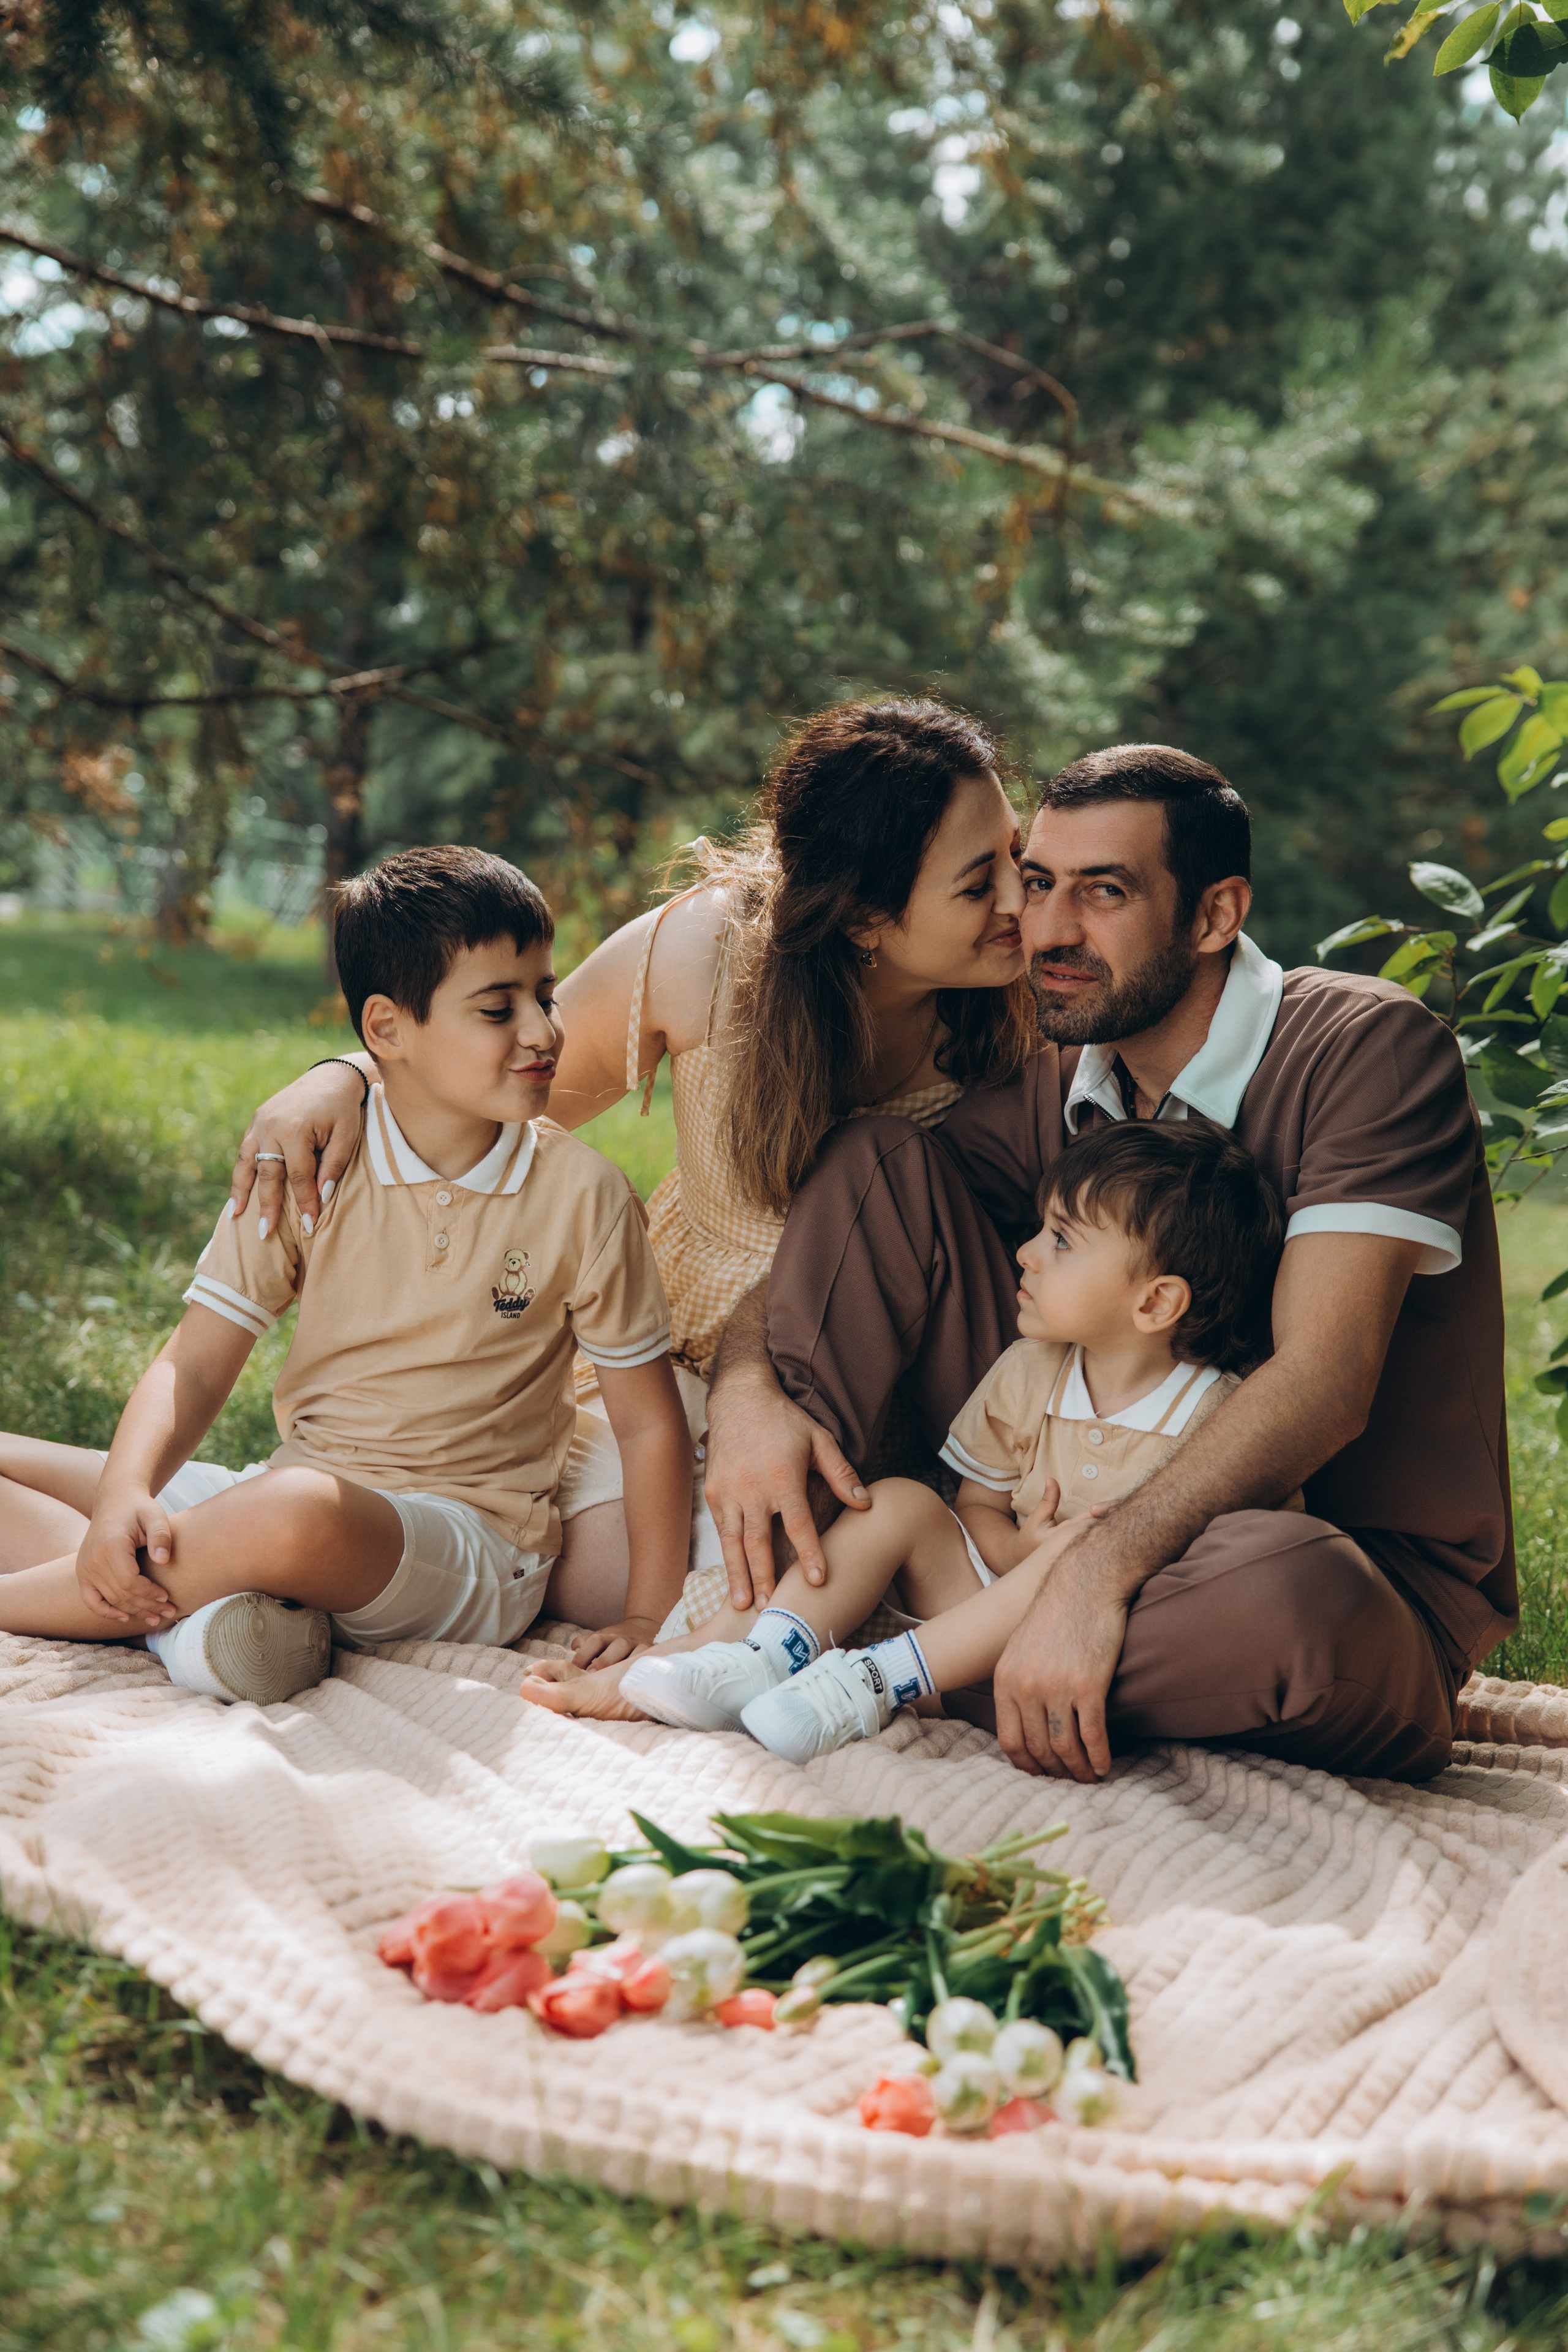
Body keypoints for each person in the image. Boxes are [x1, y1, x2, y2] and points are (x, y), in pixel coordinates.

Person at [696, 744, 1513, 1785]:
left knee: (1294, 1592)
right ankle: (789, 1609)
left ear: (1216, 917)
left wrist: (1098, 1570)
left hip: (1321, 1571)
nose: (1048, 929)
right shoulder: (1063, 1078)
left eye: (1105, 893)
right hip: (1041, 1536)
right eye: (1036, 882)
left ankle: (895, 1645)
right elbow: (861, 1224)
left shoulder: (1367, 1049)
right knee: (873, 1160)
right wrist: (748, 1383)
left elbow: (1322, 1386)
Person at [226, 699, 1035, 1640]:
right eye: (981, 884)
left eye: (1015, 855)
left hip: (873, 1398)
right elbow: (494, 1074)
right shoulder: (711, 956)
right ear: (863, 914)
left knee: (753, 1577)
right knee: (575, 1558)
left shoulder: (1021, 1016)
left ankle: (278, 1553)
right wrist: (343, 1076)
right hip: (659, 1371)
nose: (1023, 898)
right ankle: (234, 1537)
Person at [0, 848, 692, 1703]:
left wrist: (647, 1617)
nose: (545, 1031)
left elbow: (650, 1428)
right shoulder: (306, 1167)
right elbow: (196, 1362)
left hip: (469, 1544)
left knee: (286, 1512)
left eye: (544, 996)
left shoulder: (583, 1194)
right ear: (386, 1030)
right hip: (291, 1491)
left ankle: (107, 1604)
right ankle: (212, 1620)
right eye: (498, 1007)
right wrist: (121, 1499)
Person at [526, 1121, 1287, 1765]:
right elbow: (977, 1504)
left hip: (1089, 1651)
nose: (1025, 1254)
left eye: (1061, 1242)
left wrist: (1073, 1563)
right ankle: (762, 1658)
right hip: (975, 1600)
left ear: (1155, 1302)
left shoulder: (1216, 1415)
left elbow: (1225, 1558)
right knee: (898, 1502)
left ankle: (869, 1682)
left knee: (1086, 1541)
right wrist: (1017, 1551)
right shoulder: (1034, 1370)